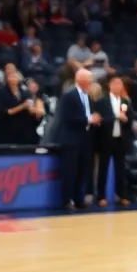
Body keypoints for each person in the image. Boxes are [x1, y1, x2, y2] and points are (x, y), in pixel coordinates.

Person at [57, 67, 101, 210]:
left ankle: (78, 198)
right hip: (71, 139)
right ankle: (66, 200)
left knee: (83, 170)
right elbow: (67, 117)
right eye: (89, 80)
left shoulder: (88, 97)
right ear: (81, 80)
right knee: (70, 170)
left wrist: (95, 119)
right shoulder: (69, 96)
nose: (91, 82)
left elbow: (88, 115)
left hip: (85, 138)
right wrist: (88, 120)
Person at [97, 76, 133, 207]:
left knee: (121, 168)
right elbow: (100, 120)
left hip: (120, 139)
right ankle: (101, 196)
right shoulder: (102, 102)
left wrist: (126, 119)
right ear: (110, 86)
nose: (118, 87)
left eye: (120, 85)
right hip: (106, 139)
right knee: (103, 168)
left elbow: (131, 120)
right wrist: (115, 117)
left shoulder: (125, 102)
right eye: (116, 84)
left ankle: (121, 195)